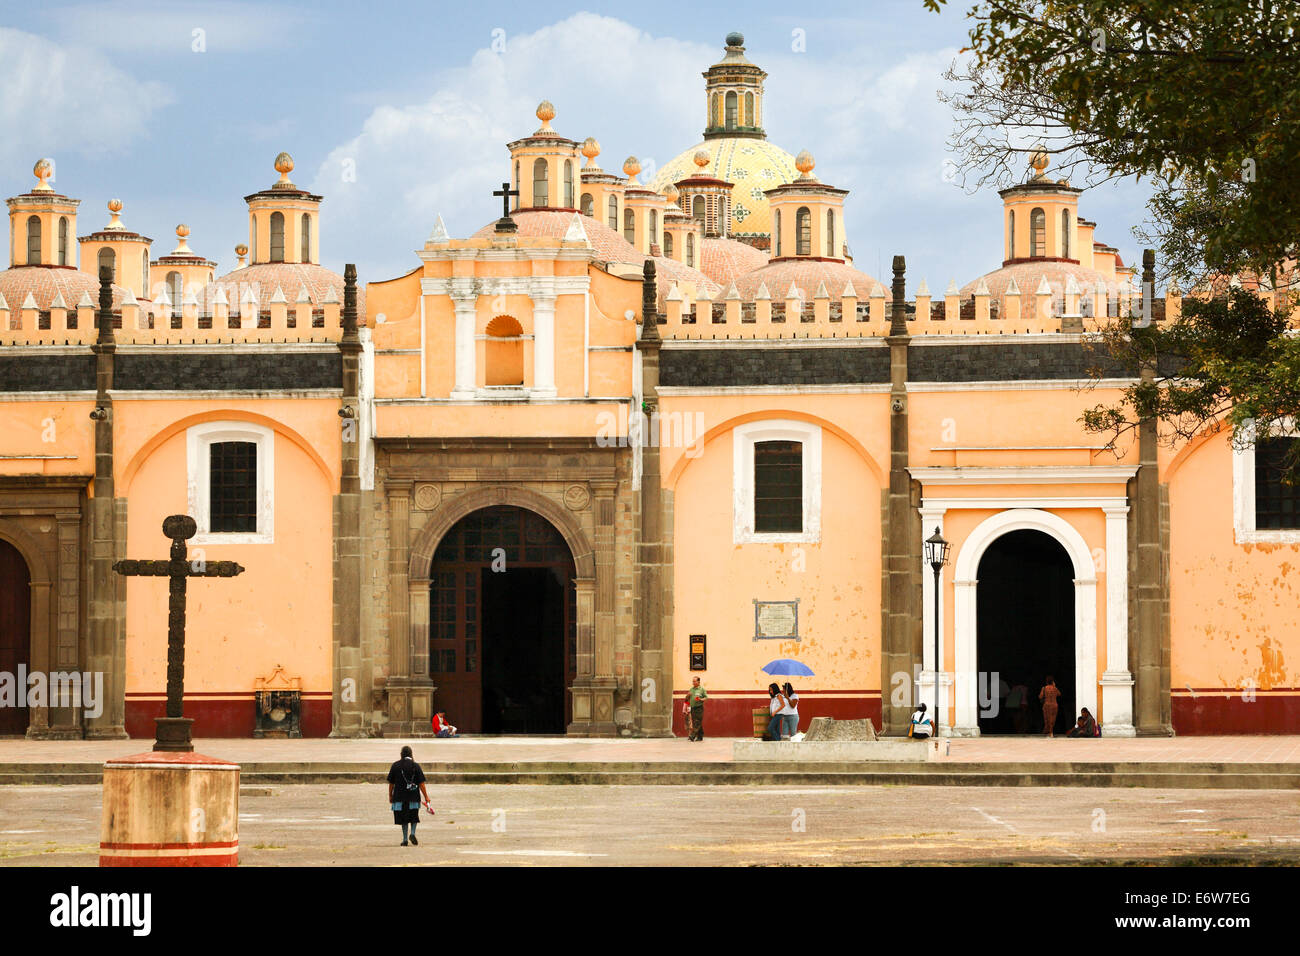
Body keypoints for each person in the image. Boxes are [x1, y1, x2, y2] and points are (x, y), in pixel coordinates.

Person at [386, 745, 431, 846]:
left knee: (403, 818)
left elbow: (391, 783)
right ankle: (413, 833)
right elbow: (421, 784)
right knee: (414, 816)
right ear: (411, 754)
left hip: (399, 797)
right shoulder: (416, 766)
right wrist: (426, 797)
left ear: (401, 754)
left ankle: (405, 839)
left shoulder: (395, 765)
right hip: (413, 797)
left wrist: (390, 795)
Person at [684, 675, 708, 741]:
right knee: (696, 722)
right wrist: (687, 695)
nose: (693, 683)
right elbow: (686, 699)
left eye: (694, 681)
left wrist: (701, 699)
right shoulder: (691, 689)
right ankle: (700, 736)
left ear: (698, 682)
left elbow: (706, 697)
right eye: (693, 681)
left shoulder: (702, 689)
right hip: (693, 708)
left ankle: (692, 736)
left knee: (697, 722)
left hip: (699, 708)